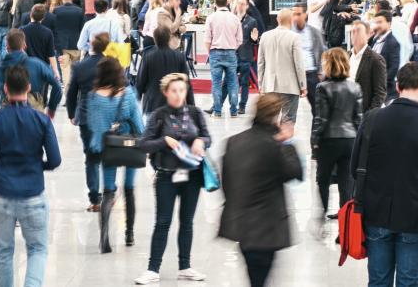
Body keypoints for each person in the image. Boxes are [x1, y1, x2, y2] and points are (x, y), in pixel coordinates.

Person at [352, 62, 418, 287]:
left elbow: (355, 169)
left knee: (378, 281)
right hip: (415, 218)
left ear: (397, 86)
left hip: (376, 214)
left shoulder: (371, 120)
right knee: (408, 282)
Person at [0, 65, 61, 287]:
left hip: (1, 193)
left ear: (5, 88)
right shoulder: (42, 121)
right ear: (29, 88)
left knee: (3, 253)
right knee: (37, 250)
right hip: (33, 193)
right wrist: (36, 165)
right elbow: (55, 160)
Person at [219, 94, 303, 287]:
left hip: (241, 225)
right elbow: (296, 172)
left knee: (254, 277)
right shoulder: (273, 146)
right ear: (275, 117)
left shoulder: (234, 141)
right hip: (266, 228)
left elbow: (227, 182)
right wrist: (287, 142)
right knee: (260, 279)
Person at [135, 73, 210, 284]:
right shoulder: (159, 115)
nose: (178, 95)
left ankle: (185, 266)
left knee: (187, 222)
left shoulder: (195, 113)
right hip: (166, 176)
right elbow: (144, 144)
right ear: (166, 92)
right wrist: (164, 141)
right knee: (163, 221)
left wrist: (201, 142)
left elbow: (207, 136)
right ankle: (152, 268)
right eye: (174, 91)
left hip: (192, 176)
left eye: (182, 90)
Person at [86, 57, 144, 253]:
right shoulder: (127, 94)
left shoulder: (93, 97)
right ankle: (129, 234)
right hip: (128, 146)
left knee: (108, 191)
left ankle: (104, 238)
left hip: (107, 147)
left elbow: (94, 126)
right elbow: (139, 125)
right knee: (129, 188)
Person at [312, 48, 362, 221]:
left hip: (329, 140)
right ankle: (345, 222)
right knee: (346, 183)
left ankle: (323, 211)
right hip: (350, 140)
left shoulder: (322, 88)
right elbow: (358, 119)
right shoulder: (355, 87)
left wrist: (315, 141)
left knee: (323, 179)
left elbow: (321, 119)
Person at [65, 32, 109, 212]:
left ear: (90, 45)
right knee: (107, 156)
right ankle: (109, 192)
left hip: (85, 116)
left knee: (91, 158)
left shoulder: (80, 67)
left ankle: (94, 198)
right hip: (106, 116)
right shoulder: (111, 66)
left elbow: (71, 93)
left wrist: (71, 113)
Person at [258, 8, 307, 123]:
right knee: (288, 121)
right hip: (290, 86)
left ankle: (270, 141)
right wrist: (303, 85)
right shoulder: (294, 37)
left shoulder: (265, 36)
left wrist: (261, 84)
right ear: (291, 20)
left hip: (270, 85)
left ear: (277, 19)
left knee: (269, 121)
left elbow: (261, 63)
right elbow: (299, 64)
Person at [0, 29, 62, 115]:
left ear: (7, 47)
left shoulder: (1, 68)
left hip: (8, 112)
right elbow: (57, 86)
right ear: (24, 45)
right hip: (35, 110)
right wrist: (51, 109)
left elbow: (3, 93)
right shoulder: (37, 64)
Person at [136, 27, 194, 115]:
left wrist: (137, 99)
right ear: (169, 38)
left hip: (152, 105)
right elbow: (186, 82)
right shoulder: (179, 56)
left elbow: (140, 81)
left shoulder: (147, 56)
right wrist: (191, 105)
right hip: (174, 104)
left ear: (154, 38)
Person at [205, 0, 242, 117]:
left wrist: (209, 52)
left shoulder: (211, 18)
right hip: (231, 52)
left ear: (215, 4)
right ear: (227, 3)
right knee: (232, 82)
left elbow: (207, 39)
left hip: (215, 52)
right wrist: (232, 48)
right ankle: (233, 110)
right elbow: (240, 39)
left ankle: (217, 110)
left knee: (216, 83)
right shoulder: (235, 18)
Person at [292, 2, 325, 115]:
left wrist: (320, 71)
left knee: (317, 109)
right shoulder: (289, 32)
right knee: (289, 110)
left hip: (311, 74)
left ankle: (315, 132)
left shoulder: (314, 32)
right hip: (294, 75)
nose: (296, 17)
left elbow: (321, 51)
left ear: (305, 15)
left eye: (298, 14)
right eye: (294, 14)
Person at [349, 21, 386, 112]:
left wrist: (369, 116)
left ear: (368, 35)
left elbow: (380, 94)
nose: (355, 34)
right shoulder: (346, 56)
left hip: (364, 113)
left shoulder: (376, 60)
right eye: (353, 31)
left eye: (358, 31)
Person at [232, 0, 260, 114]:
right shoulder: (231, 19)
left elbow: (255, 40)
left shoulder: (252, 21)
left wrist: (255, 39)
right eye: (239, 3)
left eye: (243, 4)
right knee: (227, 82)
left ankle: (242, 106)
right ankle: (217, 106)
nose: (241, 6)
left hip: (245, 55)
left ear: (247, 6)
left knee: (244, 82)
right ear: (236, 5)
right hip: (232, 55)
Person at [53, 0, 85, 87]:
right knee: (76, 72)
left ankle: (67, 96)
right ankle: (75, 95)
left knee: (65, 72)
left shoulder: (56, 10)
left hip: (62, 46)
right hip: (76, 44)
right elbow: (82, 28)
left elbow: (54, 28)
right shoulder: (79, 11)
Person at [369, 11, 400, 103]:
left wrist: (378, 83)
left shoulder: (392, 43)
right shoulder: (375, 40)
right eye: (376, 22)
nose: (377, 25)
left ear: (389, 23)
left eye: (380, 22)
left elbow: (393, 68)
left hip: (385, 92)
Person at [20, 5, 58, 77]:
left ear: (31, 14)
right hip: (43, 67)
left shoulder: (21, 30)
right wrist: (56, 71)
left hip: (26, 67)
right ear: (43, 17)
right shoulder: (48, 32)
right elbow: (51, 54)